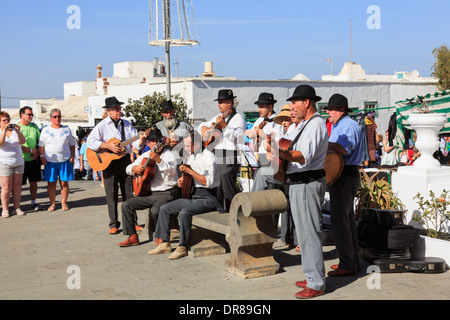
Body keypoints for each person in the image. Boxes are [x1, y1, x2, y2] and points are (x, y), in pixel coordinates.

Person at [267, 85, 328, 299]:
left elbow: (303, 156)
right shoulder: (303, 125)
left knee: (309, 234)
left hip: (307, 182)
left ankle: (316, 282)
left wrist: (279, 153)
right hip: (299, 182)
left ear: (307, 103)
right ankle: (312, 275)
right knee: (304, 234)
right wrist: (273, 147)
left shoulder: (315, 124)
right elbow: (283, 145)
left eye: (295, 103)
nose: (291, 107)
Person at [148, 130, 224, 260]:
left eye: (189, 146)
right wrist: (183, 180)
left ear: (198, 145)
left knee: (184, 212)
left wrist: (190, 171)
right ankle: (164, 242)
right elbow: (191, 177)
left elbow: (208, 182)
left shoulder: (209, 158)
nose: (186, 149)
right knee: (165, 208)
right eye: (186, 146)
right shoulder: (193, 156)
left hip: (208, 198)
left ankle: (182, 246)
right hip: (194, 196)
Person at [87, 97, 147, 234]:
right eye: (116, 109)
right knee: (111, 194)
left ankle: (132, 222)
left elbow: (134, 143)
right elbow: (90, 141)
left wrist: (142, 141)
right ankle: (113, 223)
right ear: (109, 110)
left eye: (119, 108)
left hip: (124, 160)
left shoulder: (126, 124)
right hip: (108, 162)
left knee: (128, 193)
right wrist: (107, 145)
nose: (119, 111)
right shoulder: (102, 125)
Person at [117, 128, 179, 247]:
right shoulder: (145, 155)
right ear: (148, 143)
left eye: (157, 140)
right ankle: (133, 236)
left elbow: (171, 172)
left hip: (167, 192)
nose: (155, 143)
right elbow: (128, 168)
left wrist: (159, 160)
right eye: (152, 141)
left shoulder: (169, 155)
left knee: (156, 210)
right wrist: (134, 169)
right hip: (150, 194)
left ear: (161, 141)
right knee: (126, 205)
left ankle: (161, 236)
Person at [326, 93, 364, 277]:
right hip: (344, 175)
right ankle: (350, 260)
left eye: (331, 109)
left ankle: (348, 263)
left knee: (340, 222)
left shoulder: (347, 126)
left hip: (345, 175)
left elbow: (342, 149)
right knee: (346, 221)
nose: (328, 112)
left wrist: (323, 143)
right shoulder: (340, 125)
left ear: (341, 110)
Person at [198, 89, 246, 211]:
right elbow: (202, 125)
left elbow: (239, 137)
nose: (219, 104)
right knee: (218, 187)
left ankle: (235, 214)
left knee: (227, 187)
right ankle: (221, 214)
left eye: (222, 102)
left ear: (229, 103)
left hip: (229, 154)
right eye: (218, 102)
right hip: (218, 154)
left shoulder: (238, 118)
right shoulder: (218, 117)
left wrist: (224, 126)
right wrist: (203, 127)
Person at [38, 109, 76, 212]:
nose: (57, 118)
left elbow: (72, 144)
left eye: (59, 116)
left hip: (65, 160)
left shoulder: (67, 129)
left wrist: (72, 155)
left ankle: (64, 203)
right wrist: (42, 156)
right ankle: (53, 203)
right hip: (50, 161)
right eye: (55, 116)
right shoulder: (45, 130)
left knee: (64, 183)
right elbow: (41, 146)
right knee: (51, 183)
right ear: (51, 118)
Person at [0, 112, 26, 217]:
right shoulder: (1, 131)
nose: (7, 122)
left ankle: (17, 207)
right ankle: (5, 209)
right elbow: (0, 143)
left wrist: (18, 132)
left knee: (17, 186)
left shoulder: (15, 131)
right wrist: (4, 131)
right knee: (6, 187)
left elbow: (23, 141)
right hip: (5, 162)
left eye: (8, 120)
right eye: (4, 120)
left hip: (18, 162)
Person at [17, 106, 42, 211]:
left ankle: (33, 202)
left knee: (33, 182)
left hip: (33, 160)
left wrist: (37, 153)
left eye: (32, 115)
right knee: (18, 184)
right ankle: (17, 205)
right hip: (21, 160)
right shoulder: (16, 128)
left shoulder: (34, 126)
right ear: (22, 115)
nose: (31, 116)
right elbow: (17, 145)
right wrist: (31, 151)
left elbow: (39, 141)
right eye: (29, 114)